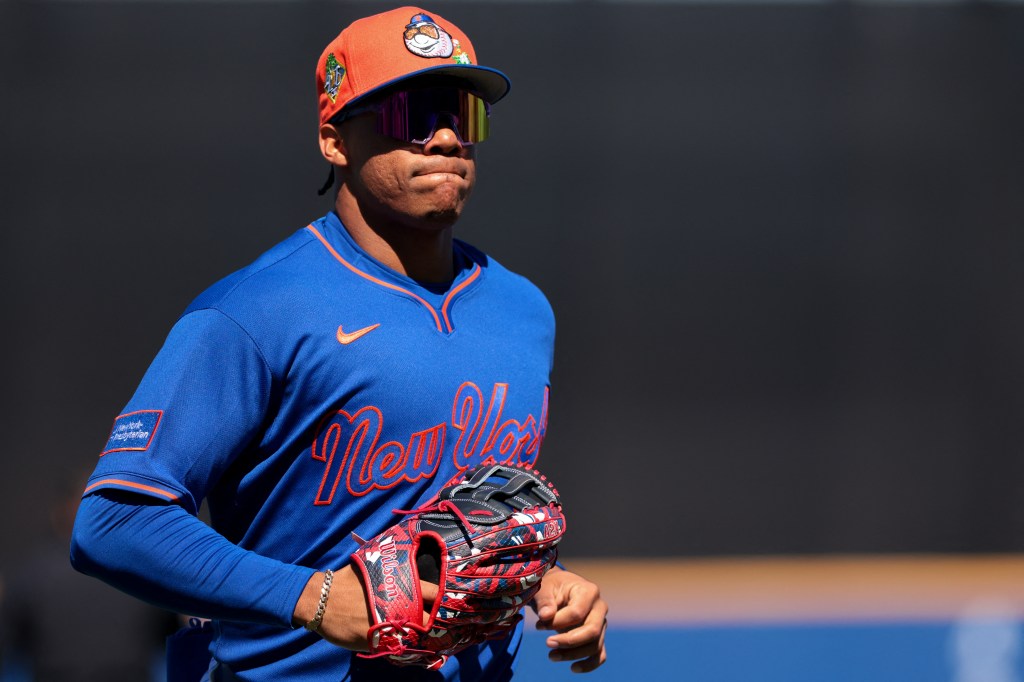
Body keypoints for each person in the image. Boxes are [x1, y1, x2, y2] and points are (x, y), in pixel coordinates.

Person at [70, 6, 608, 681]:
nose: (445, 138)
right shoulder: (256, 311)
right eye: (413, 113)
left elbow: (469, 518)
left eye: (463, 117)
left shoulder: (522, 310)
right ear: (334, 140)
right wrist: (314, 598)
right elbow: (113, 522)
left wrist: (543, 580)